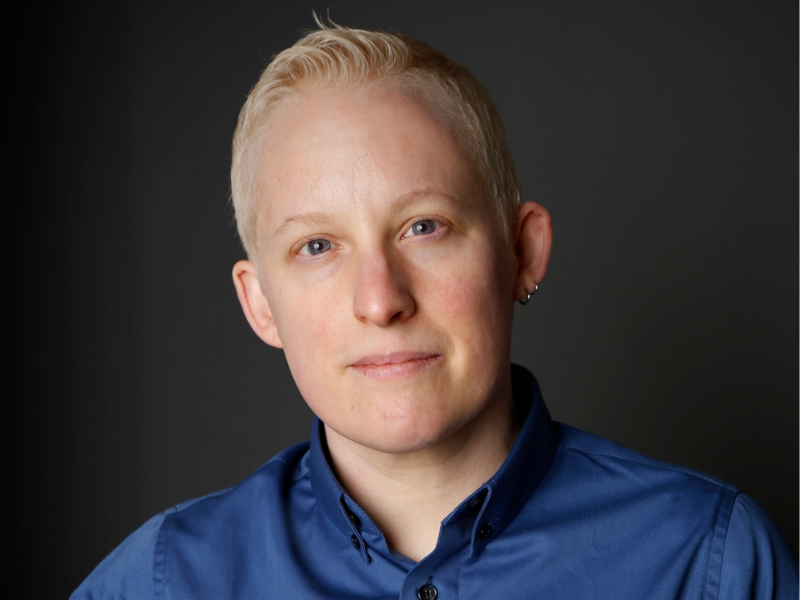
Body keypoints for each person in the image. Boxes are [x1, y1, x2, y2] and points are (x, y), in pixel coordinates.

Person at [71, 20, 797, 599]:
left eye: (425, 227)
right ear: (260, 305)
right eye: (319, 246)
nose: (381, 299)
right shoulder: (166, 583)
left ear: (523, 251)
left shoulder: (709, 562)